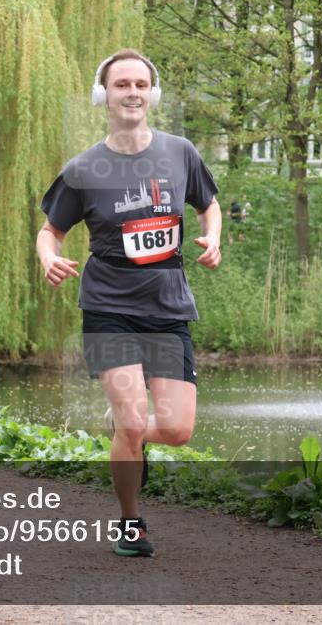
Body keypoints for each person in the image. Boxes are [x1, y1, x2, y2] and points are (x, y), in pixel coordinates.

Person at [37, 49, 221, 557]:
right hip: (108, 306)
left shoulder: (180, 151)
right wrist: (47, 257)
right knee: (137, 420)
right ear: (105, 95)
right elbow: (49, 230)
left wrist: (213, 238)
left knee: (179, 431)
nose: (133, 92)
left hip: (166, 307)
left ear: (152, 94)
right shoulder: (84, 168)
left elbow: (209, 205)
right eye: (122, 85)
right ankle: (130, 521)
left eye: (141, 84)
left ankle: (123, 429)